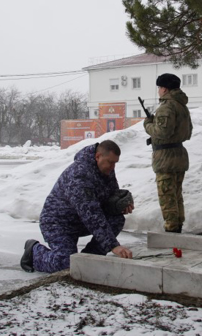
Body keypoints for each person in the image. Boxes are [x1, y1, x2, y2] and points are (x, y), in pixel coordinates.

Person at [21, 140, 134, 273]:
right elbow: (91, 214)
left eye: (115, 163)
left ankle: (89, 258)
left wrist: (120, 204)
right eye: (110, 162)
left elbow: (110, 196)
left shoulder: (105, 169)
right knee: (66, 264)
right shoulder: (79, 175)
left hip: (79, 220)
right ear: (98, 156)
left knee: (116, 219)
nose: (113, 167)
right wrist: (113, 245)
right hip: (58, 222)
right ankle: (34, 252)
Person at [144, 73, 192, 233]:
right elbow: (187, 131)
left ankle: (172, 230)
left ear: (164, 89)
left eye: (159, 87)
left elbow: (162, 132)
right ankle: (177, 226)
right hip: (179, 155)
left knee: (167, 197)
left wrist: (148, 125)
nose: (158, 91)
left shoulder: (167, 106)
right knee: (176, 195)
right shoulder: (181, 105)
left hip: (166, 158)